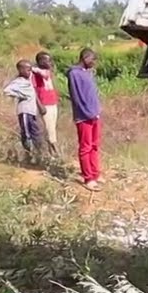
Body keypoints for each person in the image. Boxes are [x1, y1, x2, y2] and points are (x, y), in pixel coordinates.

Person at [67, 48, 103, 191]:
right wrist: (88, 113)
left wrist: (97, 110)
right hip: (84, 116)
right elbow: (77, 97)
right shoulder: (74, 74)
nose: (94, 63)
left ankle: (95, 173)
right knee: (85, 147)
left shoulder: (87, 73)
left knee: (94, 145)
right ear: (85, 58)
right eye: (93, 60)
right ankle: (88, 178)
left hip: (95, 115)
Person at [3, 60, 43, 164]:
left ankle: (38, 155)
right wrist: (21, 95)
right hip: (24, 111)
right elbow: (7, 90)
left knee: (36, 133)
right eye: (27, 69)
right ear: (21, 70)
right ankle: (29, 155)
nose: (30, 71)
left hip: (32, 112)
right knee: (27, 134)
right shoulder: (18, 81)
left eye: (30, 69)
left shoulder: (28, 80)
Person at [31, 51, 60, 157]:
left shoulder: (46, 71)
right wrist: (40, 105)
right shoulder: (34, 74)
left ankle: (51, 154)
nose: (49, 62)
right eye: (46, 60)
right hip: (45, 104)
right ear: (40, 61)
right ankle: (56, 153)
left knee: (52, 128)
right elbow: (33, 91)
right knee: (49, 129)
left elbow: (48, 74)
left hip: (53, 103)